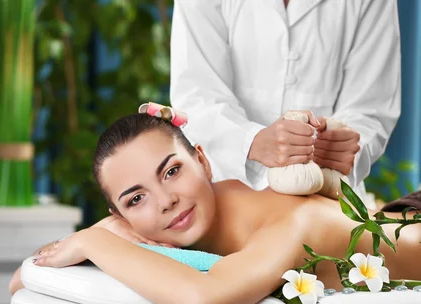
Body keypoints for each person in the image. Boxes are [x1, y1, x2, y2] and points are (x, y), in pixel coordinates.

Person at [9, 113, 421, 304]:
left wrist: (94, 241)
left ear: (203, 161)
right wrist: (106, 231)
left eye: (172, 171)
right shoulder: (191, 212)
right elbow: (22, 280)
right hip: (387, 214)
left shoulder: (289, 226)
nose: (166, 201)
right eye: (136, 199)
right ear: (119, 215)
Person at [169, 0, 401, 201]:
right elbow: (196, 95)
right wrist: (251, 142)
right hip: (228, 195)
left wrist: (347, 145)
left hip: (326, 203)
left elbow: (371, 107)